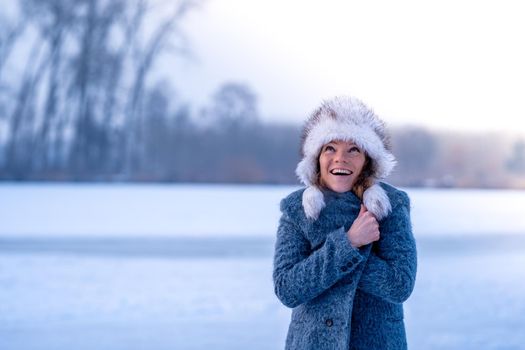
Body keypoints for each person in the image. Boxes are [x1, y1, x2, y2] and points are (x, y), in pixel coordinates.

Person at [273, 96, 417, 350]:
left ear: (367, 160)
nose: (341, 158)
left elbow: (399, 286)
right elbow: (287, 289)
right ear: (316, 157)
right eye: (330, 148)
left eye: (354, 149)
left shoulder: (391, 206)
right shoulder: (297, 210)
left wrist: (330, 256)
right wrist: (349, 243)